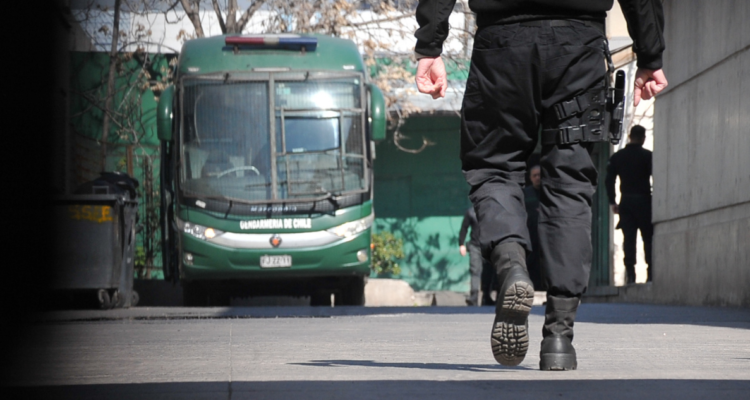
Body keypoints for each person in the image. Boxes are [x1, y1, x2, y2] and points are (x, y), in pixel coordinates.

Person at [414, 0, 667, 371]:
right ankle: (559, 339)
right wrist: (650, 53)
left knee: (493, 166)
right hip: (579, 45)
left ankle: (512, 265)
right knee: (569, 181)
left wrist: (430, 44)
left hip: (501, 44)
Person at [605, 125, 653, 284]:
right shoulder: (648, 156)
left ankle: (630, 275)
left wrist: (613, 201)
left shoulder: (618, 157)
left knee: (629, 239)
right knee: (648, 238)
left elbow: (609, 180)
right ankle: (650, 272)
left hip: (626, 202)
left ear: (630, 136)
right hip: (645, 201)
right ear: (643, 138)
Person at [458, 206, 496, 306]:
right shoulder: (470, 212)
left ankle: (486, 297)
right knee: (475, 271)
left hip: (488, 247)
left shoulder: (491, 211)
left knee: (488, 272)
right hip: (475, 247)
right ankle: (473, 297)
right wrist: (461, 244)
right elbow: (464, 228)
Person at [523, 165, 545, 291]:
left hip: (547, 235)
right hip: (530, 235)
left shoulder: (548, 192)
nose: (537, 178)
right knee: (530, 262)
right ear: (530, 178)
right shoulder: (526, 193)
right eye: (534, 175)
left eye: (539, 175)